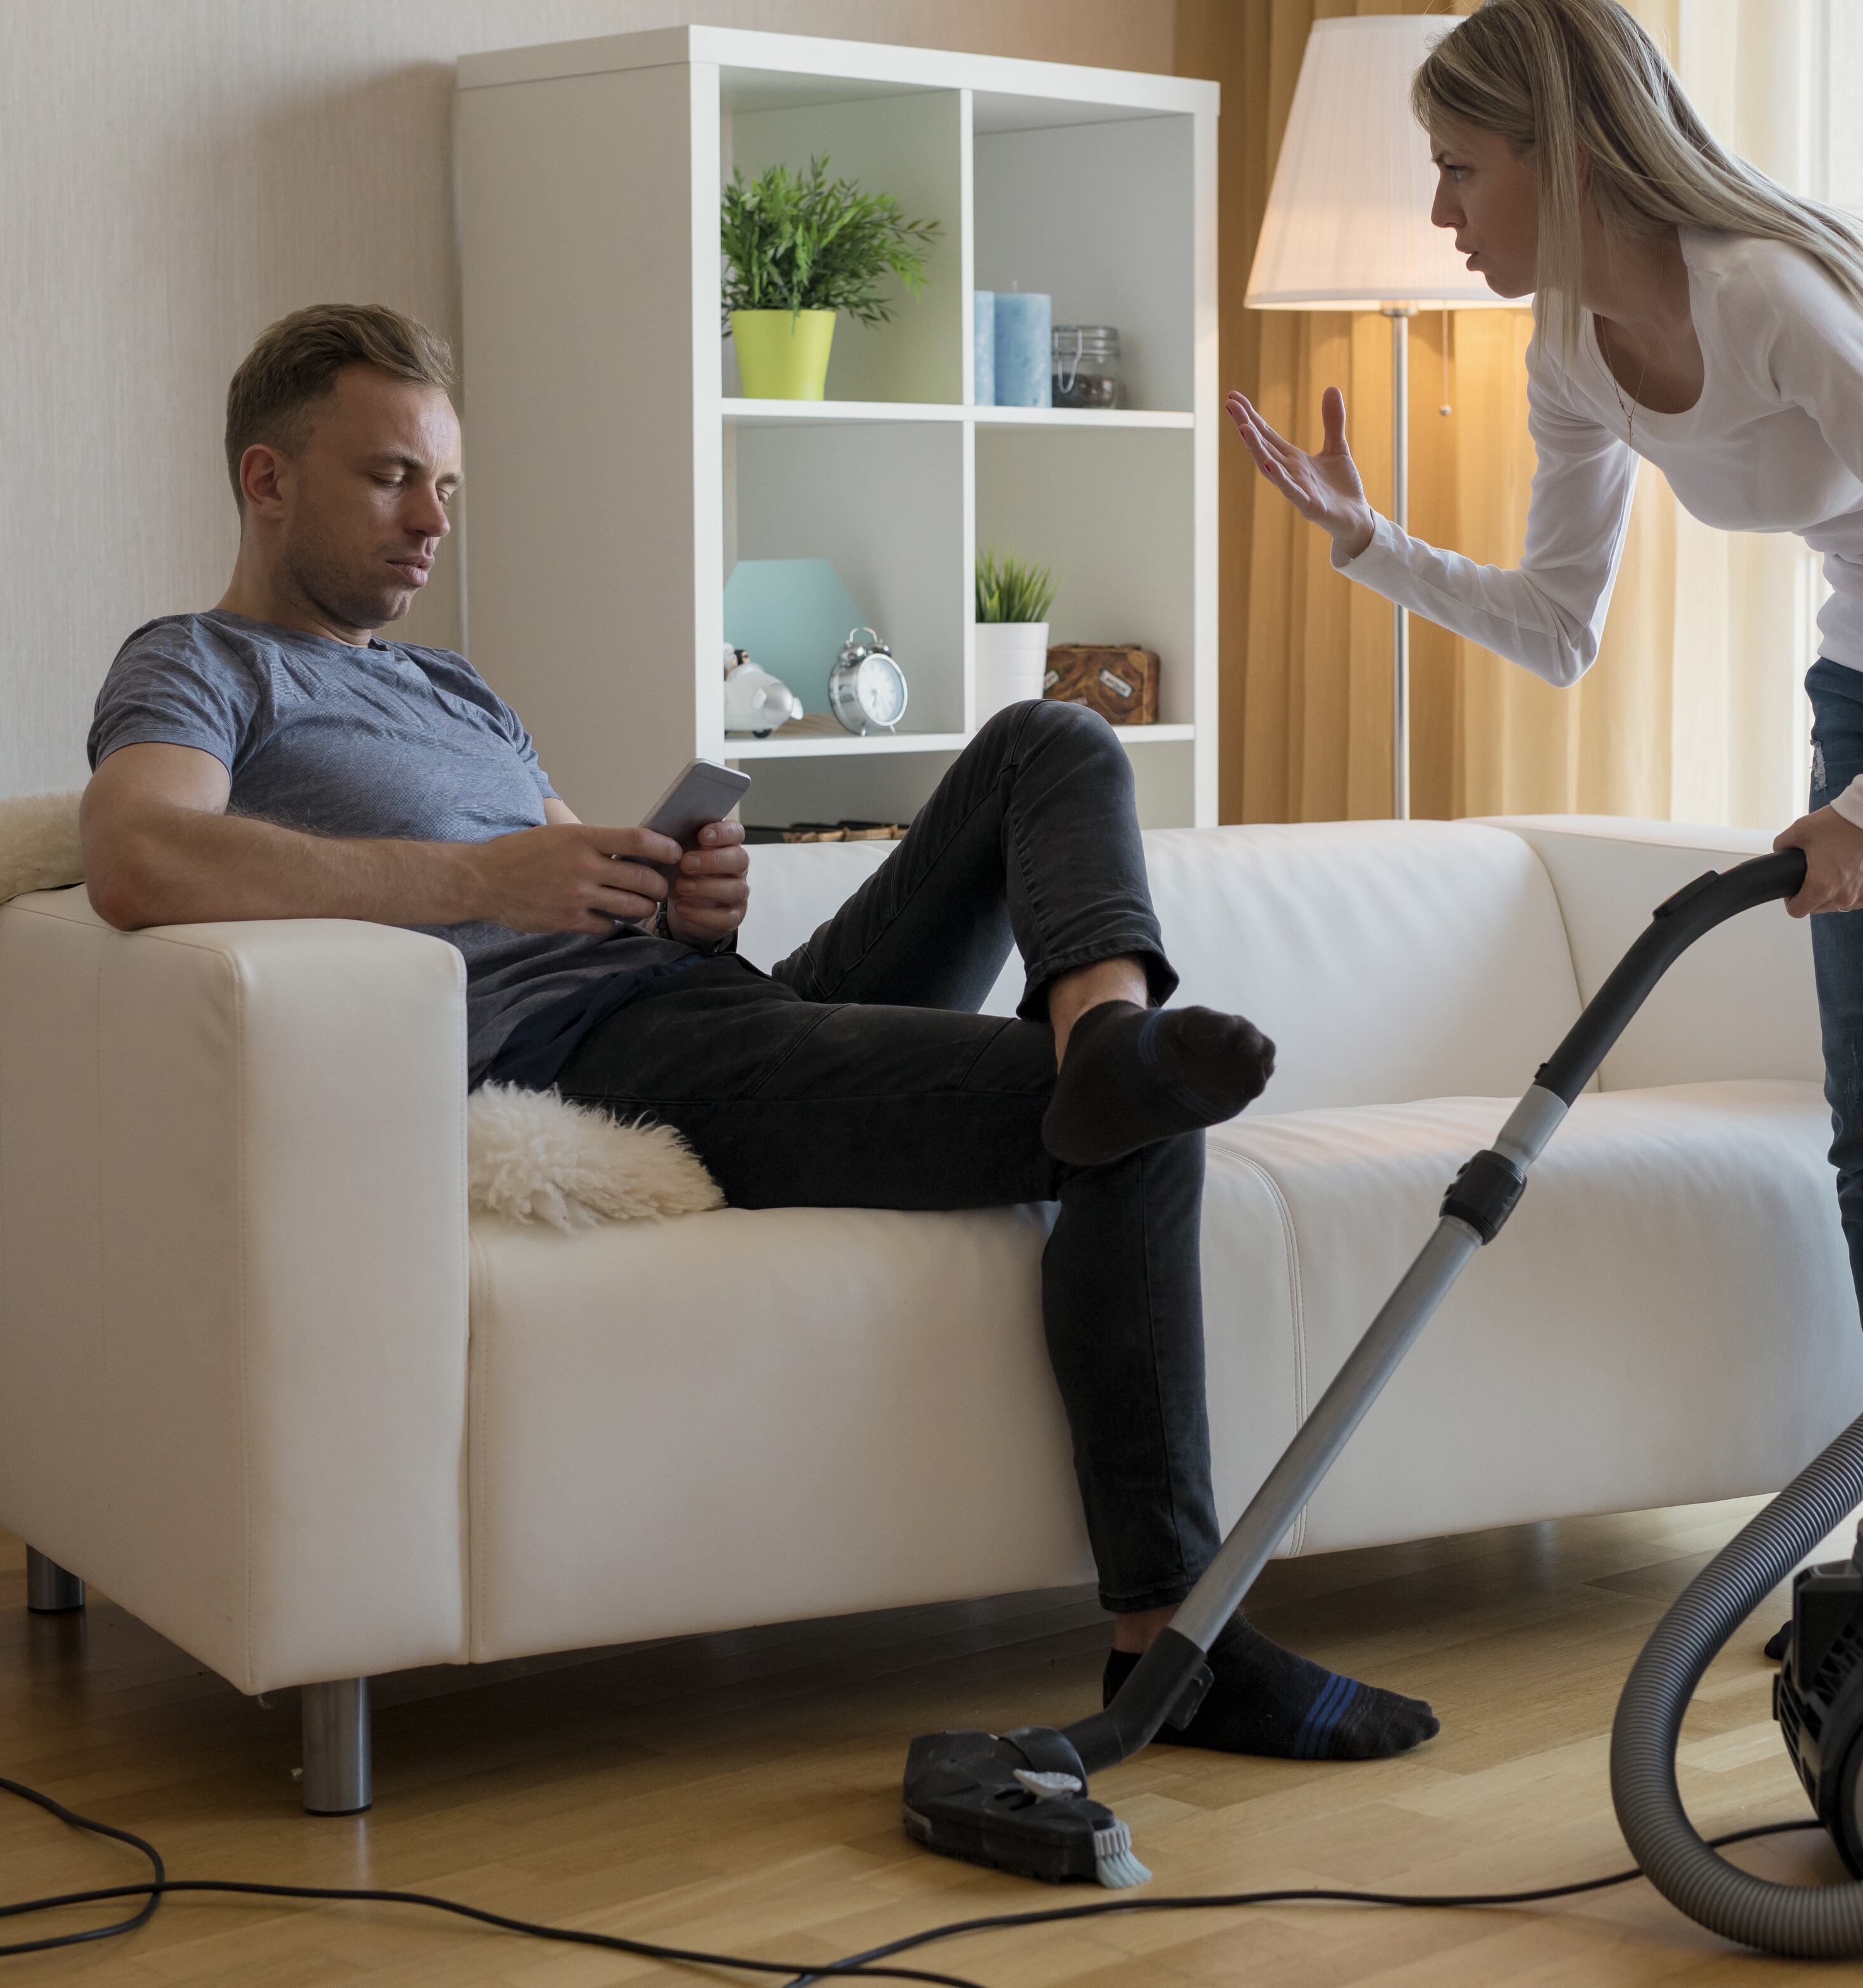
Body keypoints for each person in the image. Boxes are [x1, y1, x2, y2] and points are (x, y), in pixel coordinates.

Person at [80, 302, 1437, 1762]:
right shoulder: (202, 663)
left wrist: (683, 898)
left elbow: (576, 889)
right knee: (1139, 1121)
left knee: (1053, 738)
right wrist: (483, 880)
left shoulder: (450, 681)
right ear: (267, 478)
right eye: (391, 477)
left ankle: (1103, 1028)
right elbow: (139, 855)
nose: (431, 522)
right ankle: (1174, 1644)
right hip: (610, 1062)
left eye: (449, 489)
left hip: (709, 1000)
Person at [1225, 0, 1863, 1524]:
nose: (1439, 210)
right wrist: (1371, 546)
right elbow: (1561, 624)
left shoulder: (1764, 291)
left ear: (1557, 154)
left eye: (1459, 165)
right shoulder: (1567, 351)